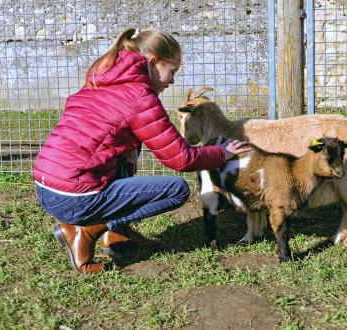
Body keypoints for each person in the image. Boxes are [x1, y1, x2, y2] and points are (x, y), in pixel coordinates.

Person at [33, 27, 250, 274]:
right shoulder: (139, 97)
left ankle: (117, 234)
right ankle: (86, 230)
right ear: (154, 62)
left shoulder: (97, 81)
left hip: (45, 188)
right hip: (74, 197)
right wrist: (222, 153)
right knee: (176, 190)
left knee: (127, 152)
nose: (172, 80)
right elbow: (180, 158)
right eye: (172, 71)